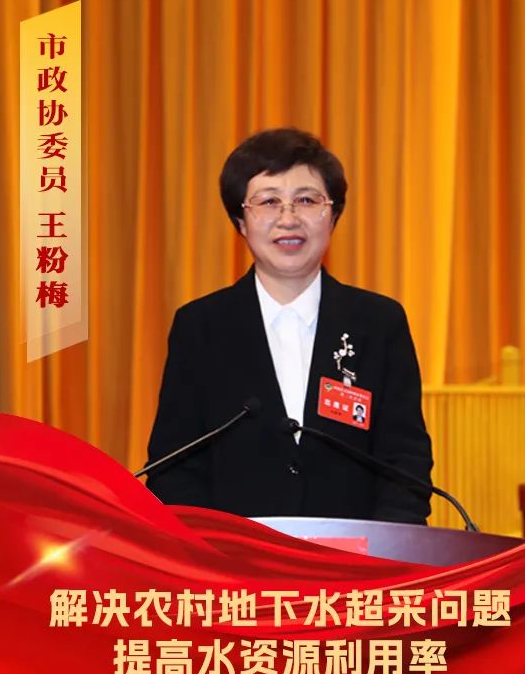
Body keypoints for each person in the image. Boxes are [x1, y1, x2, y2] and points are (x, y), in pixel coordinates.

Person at [146, 128, 433, 523]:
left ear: (333, 215)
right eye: (268, 202)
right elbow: (174, 468)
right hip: (234, 554)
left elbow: (405, 461)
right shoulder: (201, 327)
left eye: (306, 200)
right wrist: (210, 547)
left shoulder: (378, 322)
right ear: (240, 220)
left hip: (357, 555)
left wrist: (382, 547)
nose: (288, 219)